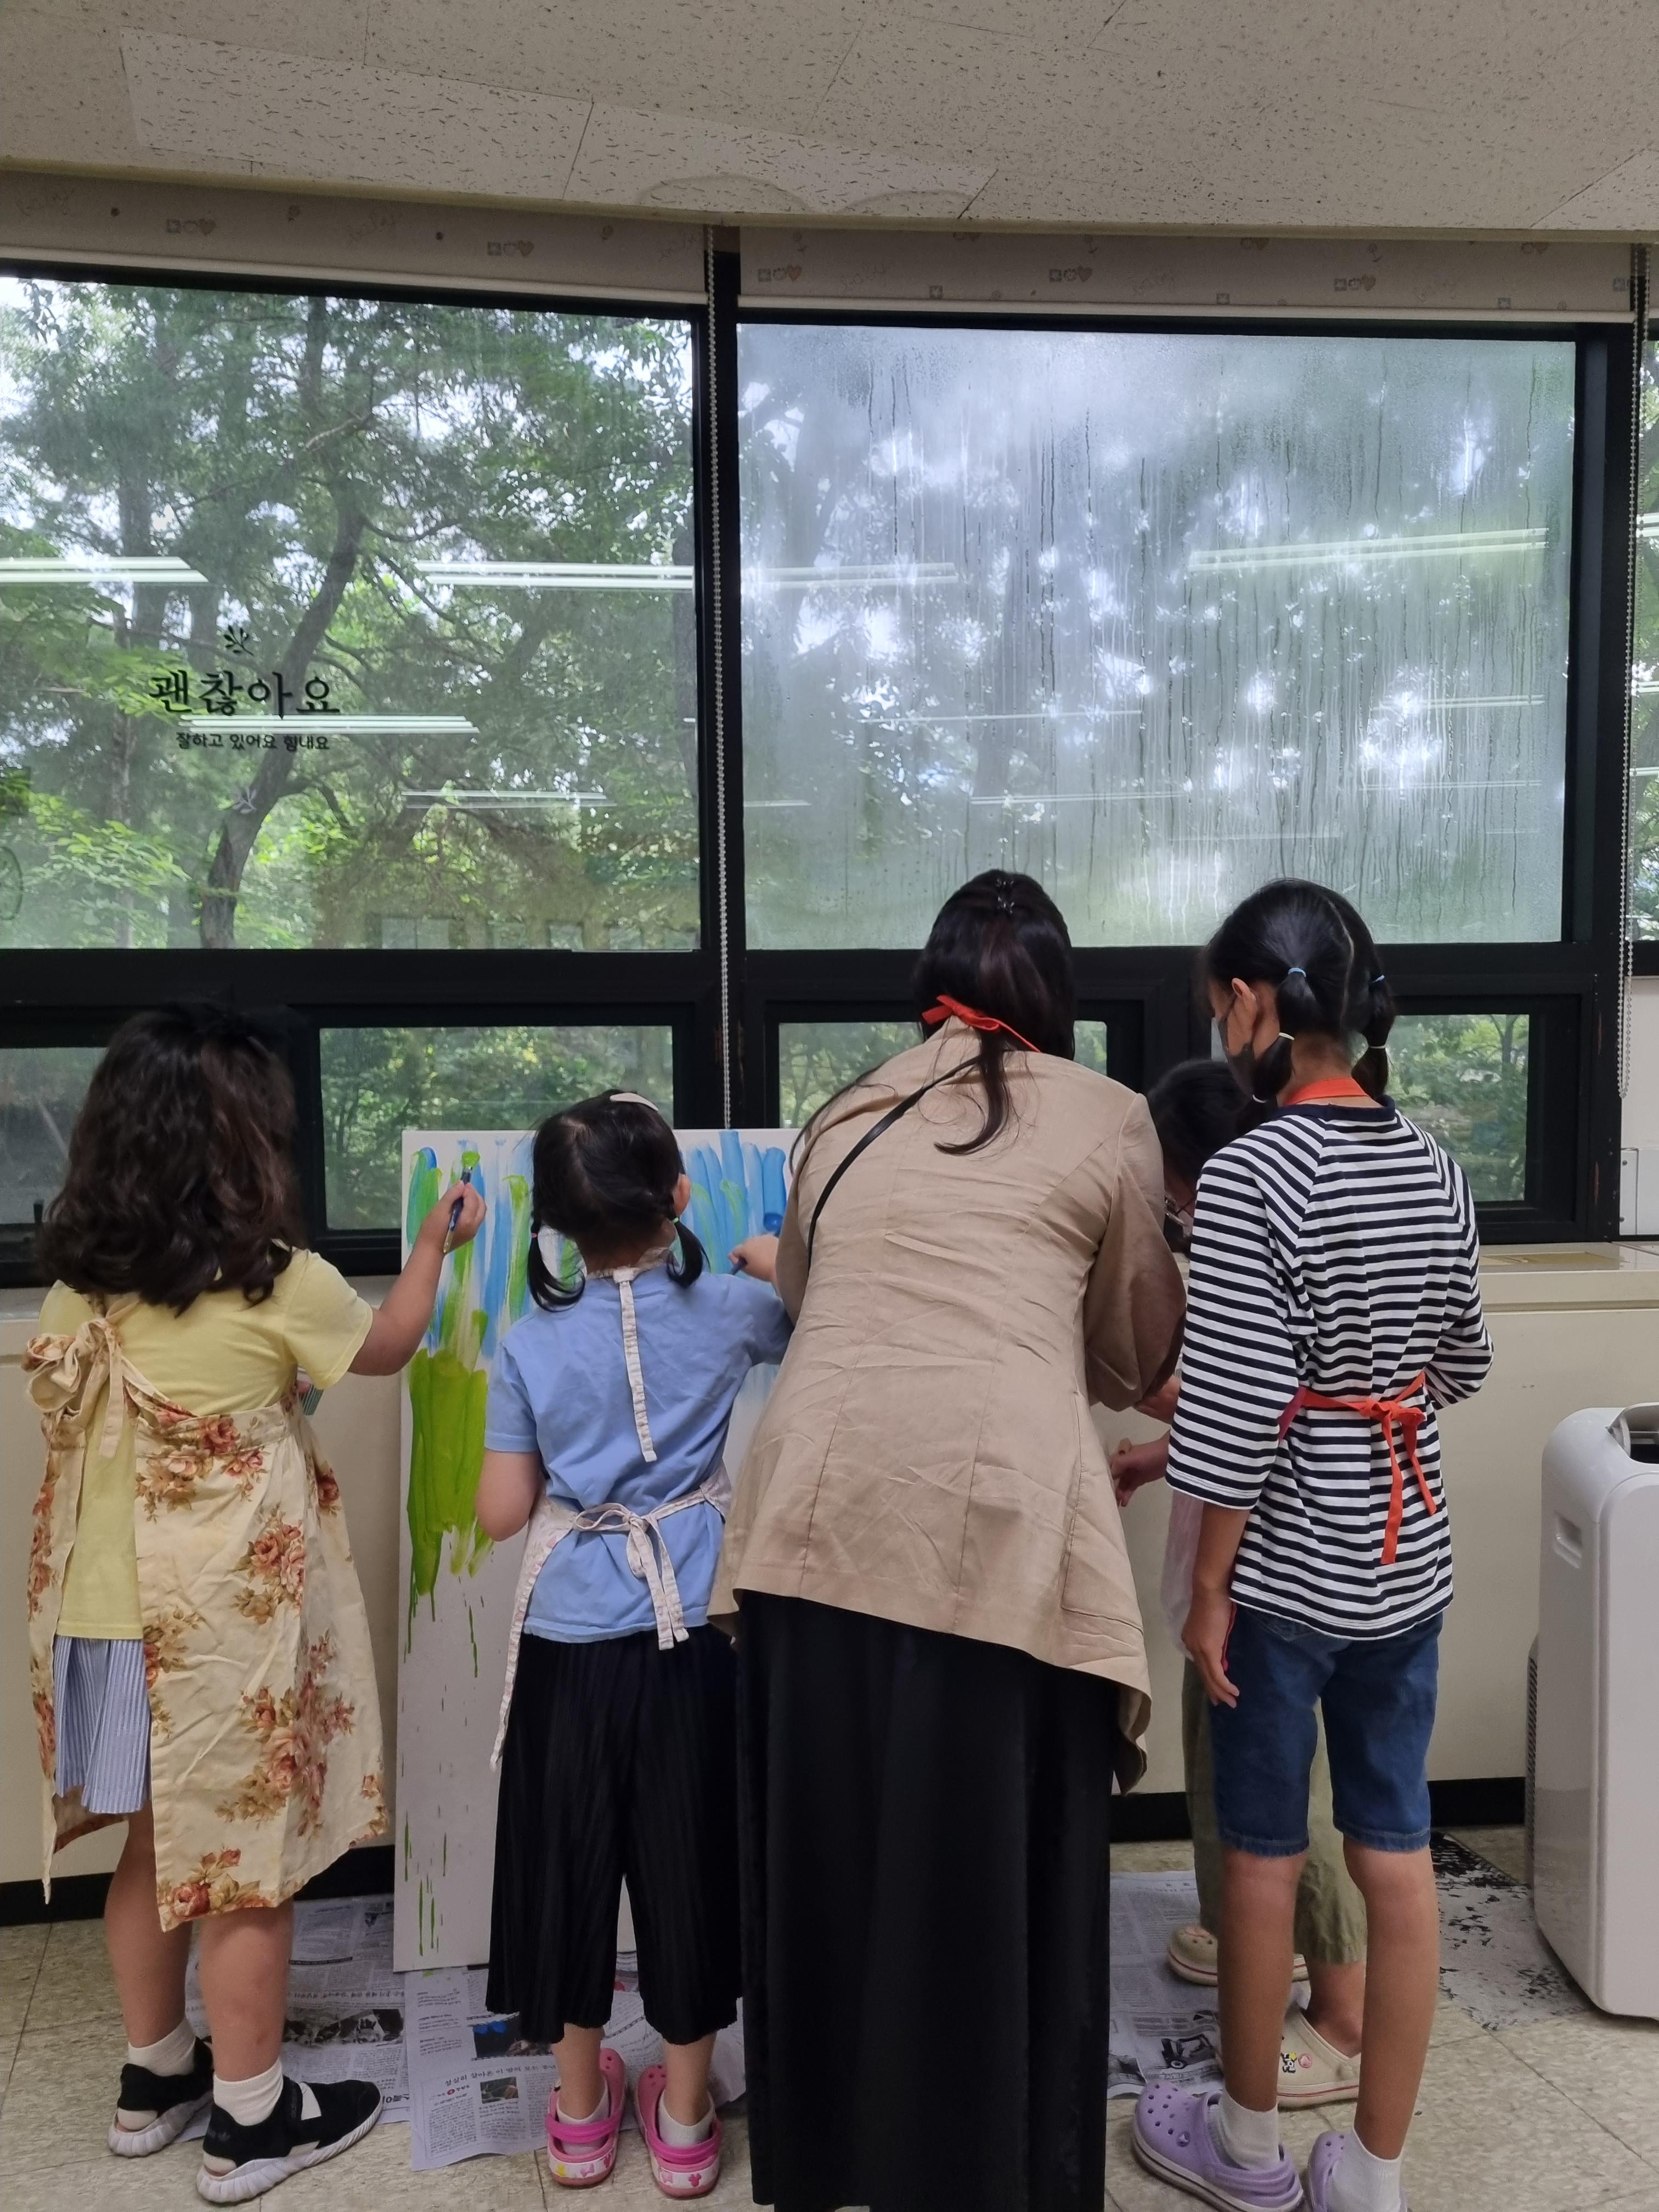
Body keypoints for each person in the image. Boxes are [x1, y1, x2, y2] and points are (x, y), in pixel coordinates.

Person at [714, 869, 1186, 2212]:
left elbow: (811, 1296)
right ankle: (992, 2165)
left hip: (810, 1515)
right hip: (997, 1523)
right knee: (986, 1860)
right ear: (1056, 995)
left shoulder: (843, 1114)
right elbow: (1137, 1350)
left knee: (832, 1852)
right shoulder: (1109, 1117)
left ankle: (833, 2156)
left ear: (930, 986)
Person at [25, 1003, 485, 2203]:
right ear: (243, 1146)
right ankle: (250, 2119)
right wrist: (434, 1242)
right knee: (243, 1870)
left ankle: (154, 2077)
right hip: (213, 1642)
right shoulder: (277, 1281)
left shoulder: (80, 1288)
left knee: (150, 1845)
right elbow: (389, 1344)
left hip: (95, 1622)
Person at [1130, 881, 1492, 2212]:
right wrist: (1371, 1398)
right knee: (1395, 1850)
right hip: (1409, 1559)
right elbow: (1464, 1362)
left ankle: (1246, 2152)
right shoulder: (1434, 1163)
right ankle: (1374, 2176)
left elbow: (1231, 1414)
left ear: (1251, 1006)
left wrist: (1207, 1589)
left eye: (1217, 1006)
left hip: (1284, 1573)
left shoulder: (1248, 1174)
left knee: (1265, 1856)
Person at [475, 1091, 791, 2199]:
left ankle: (577, 2120)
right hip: (698, 1635)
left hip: (570, 1644)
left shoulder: (528, 1343)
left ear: (555, 1225)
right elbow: (834, 1331)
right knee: (688, 1865)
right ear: (679, 1197)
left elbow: (501, 1514)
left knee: (569, 1867)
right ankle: (689, 2124)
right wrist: (783, 1266)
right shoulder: (737, 1311)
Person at [1113, 1058, 1368, 2112]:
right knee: (1222, 1768)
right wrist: (1161, 1452)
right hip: (1231, 1554)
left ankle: (1344, 2017)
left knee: (1281, 1795)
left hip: (1269, 1566)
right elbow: (1236, 1407)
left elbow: (1258, 1403)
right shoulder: (1246, 1229)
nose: (1174, 1212)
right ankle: (1252, 1938)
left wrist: (1142, 1383)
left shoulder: (1254, 1237)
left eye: (1174, 1189)